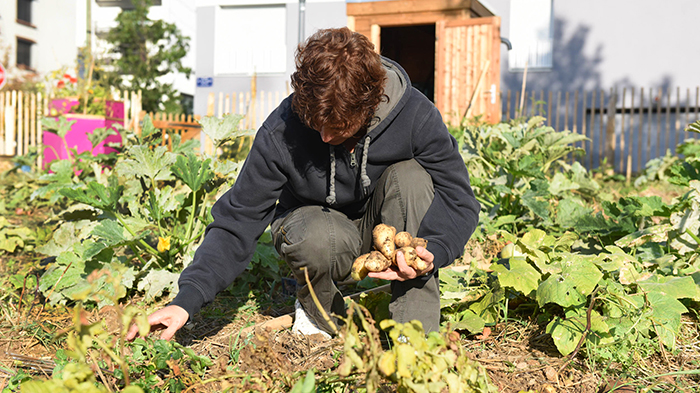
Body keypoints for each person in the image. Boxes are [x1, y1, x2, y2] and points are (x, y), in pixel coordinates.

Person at [126, 27, 480, 341]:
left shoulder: (414, 114)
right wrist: (185, 301)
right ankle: (322, 316)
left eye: (337, 125)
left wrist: (436, 248)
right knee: (314, 233)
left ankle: (413, 337)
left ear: (370, 104)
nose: (324, 136)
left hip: (384, 227)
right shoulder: (282, 128)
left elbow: (457, 196)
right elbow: (239, 218)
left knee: (413, 178)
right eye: (315, 123)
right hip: (321, 231)